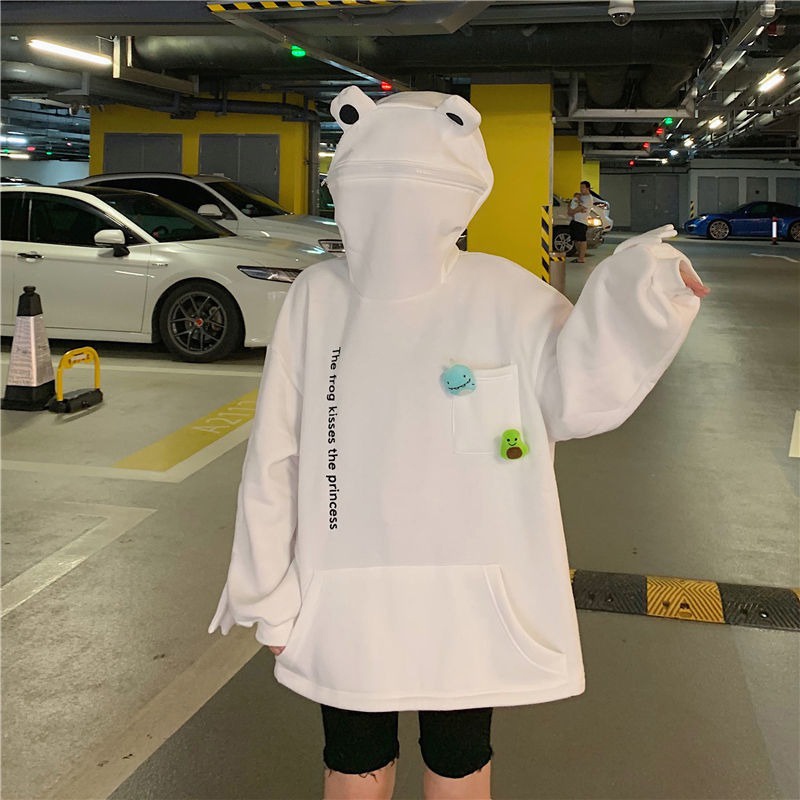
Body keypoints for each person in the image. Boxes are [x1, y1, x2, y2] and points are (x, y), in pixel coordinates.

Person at [209, 86, 709, 800]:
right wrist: (266, 595)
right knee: (405, 763)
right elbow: (278, 453)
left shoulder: (498, 294)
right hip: (370, 590)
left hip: (444, 593)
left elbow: (578, 395)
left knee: (396, 763)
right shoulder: (324, 298)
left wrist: (644, 289)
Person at [568, 180, 596, 263]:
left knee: (582, 240)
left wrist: (572, 211)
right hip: (575, 220)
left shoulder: (589, 198)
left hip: (582, 222)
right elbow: (573, 203)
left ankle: (581, 258)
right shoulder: (580, 196)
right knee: (576, 240)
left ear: (588, 188)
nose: (581, 189)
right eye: (580, 187)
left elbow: (581, 208)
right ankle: (579, 256)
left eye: (583, 187)